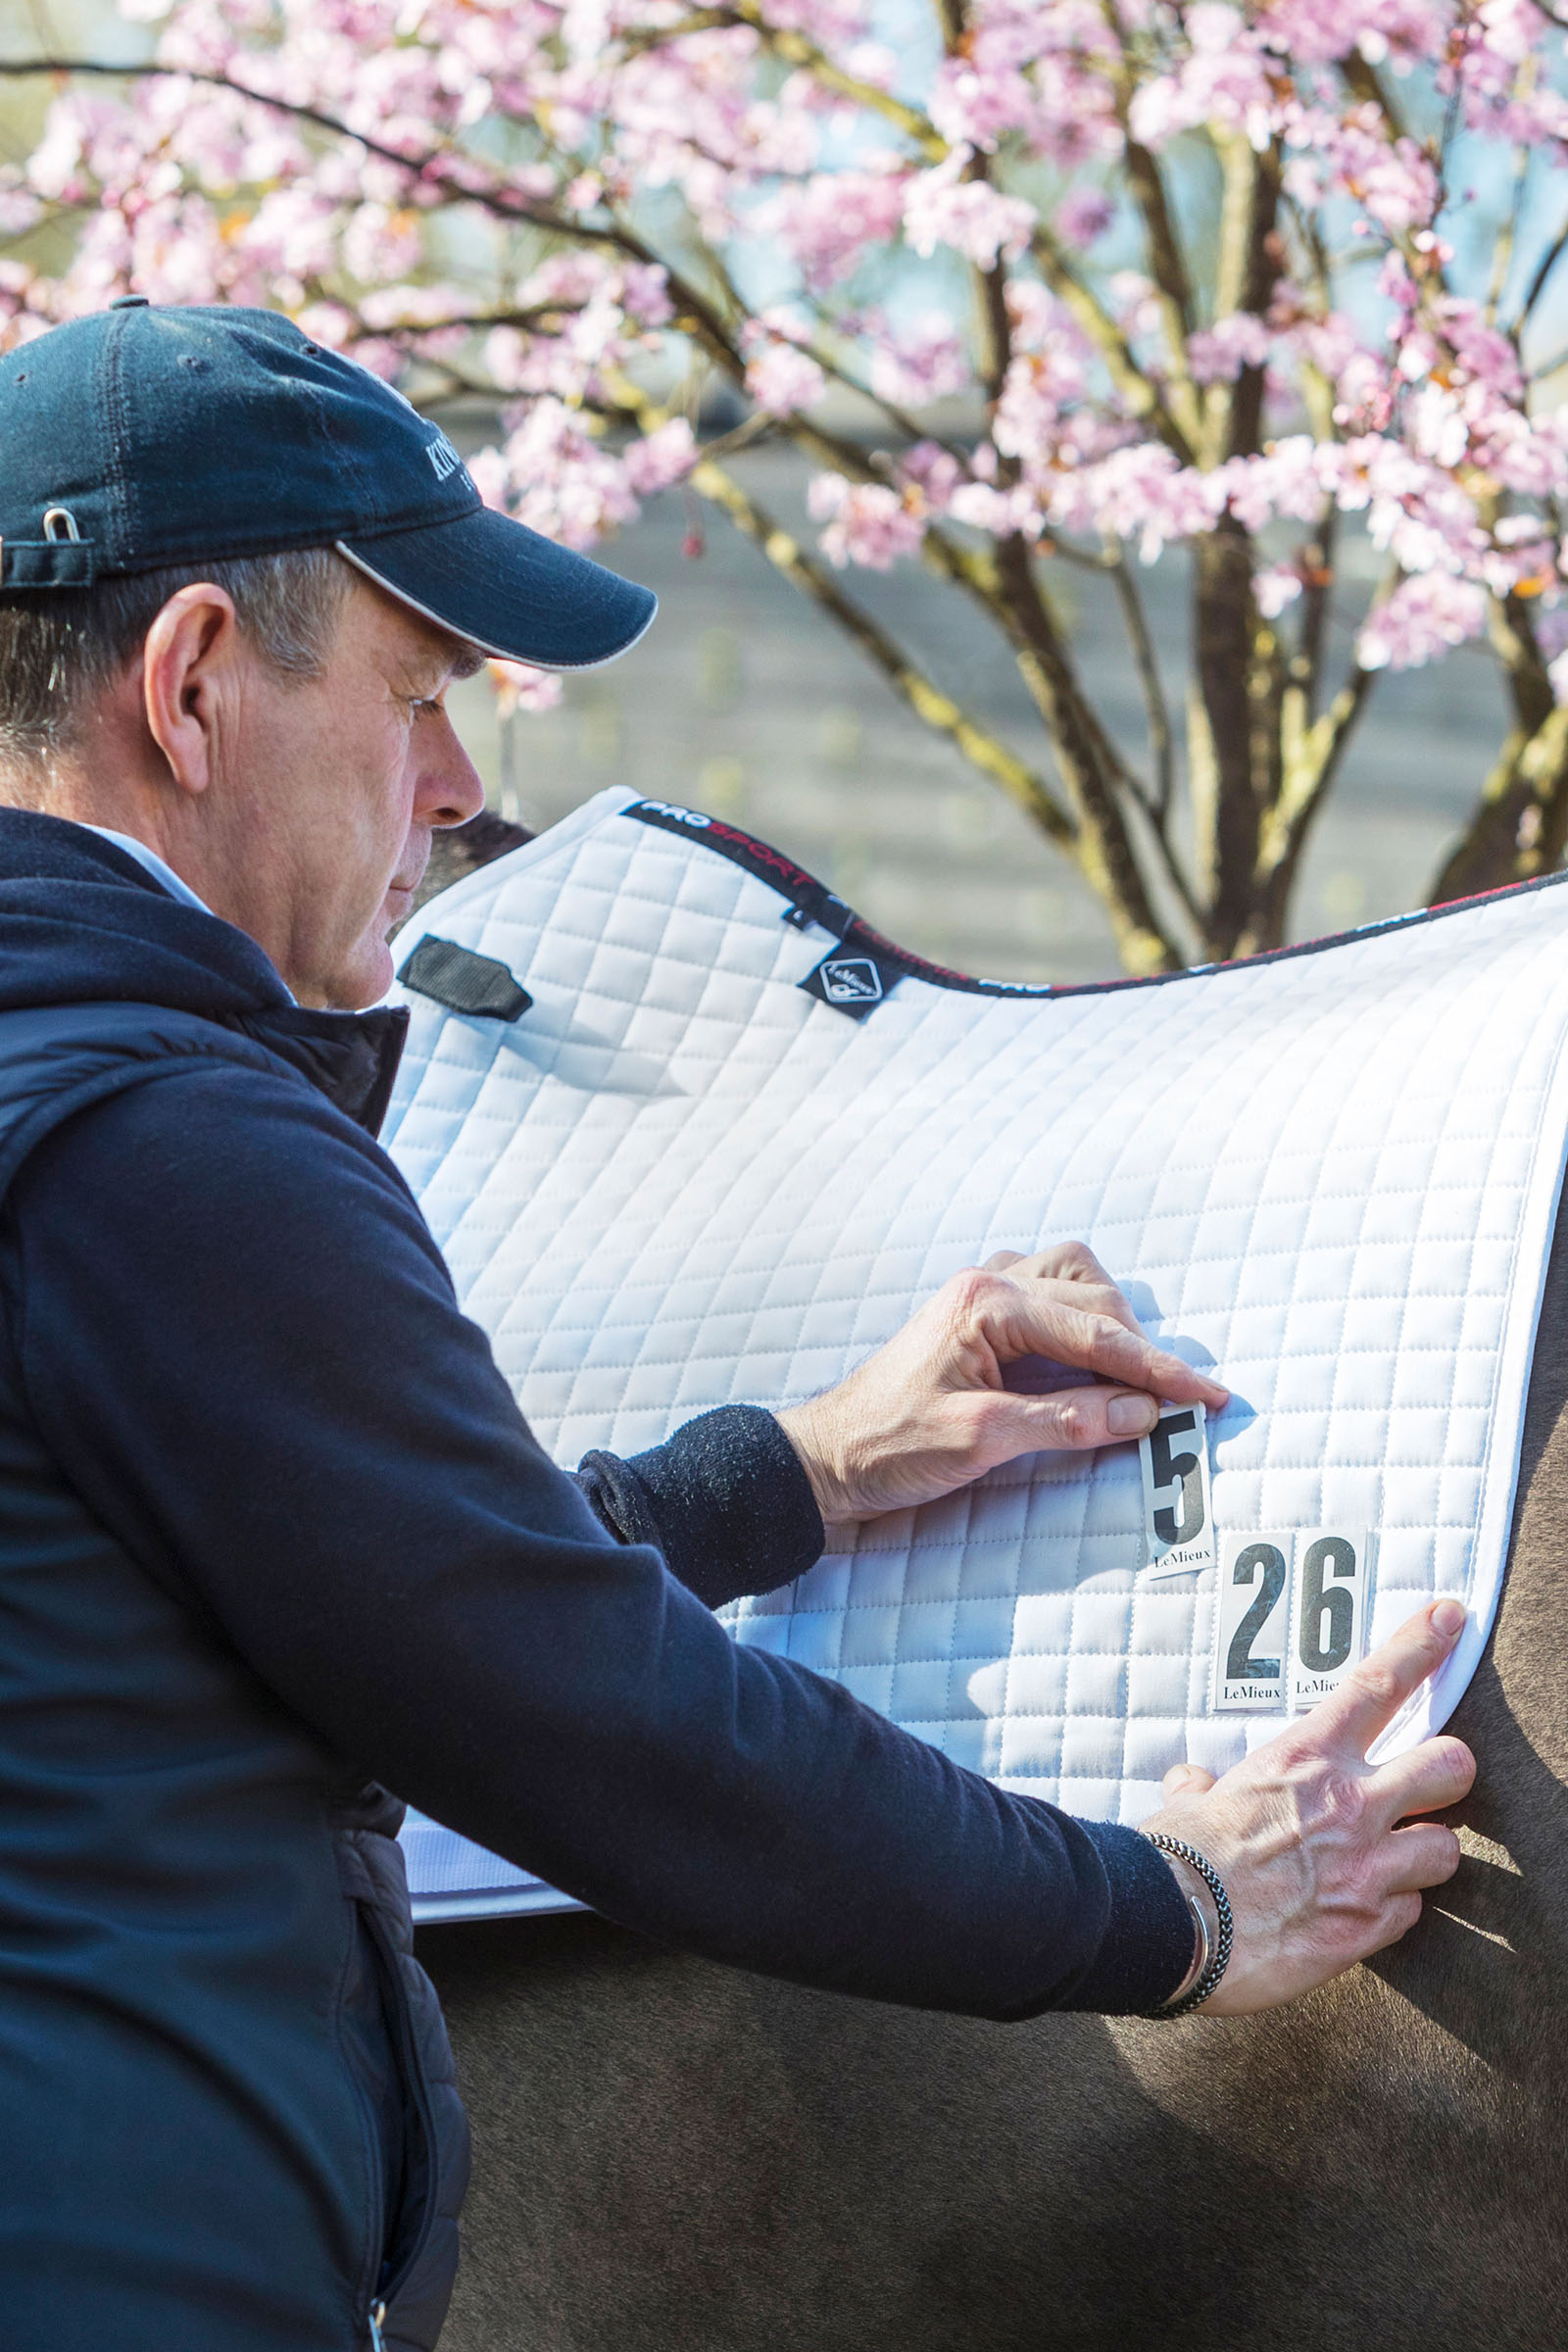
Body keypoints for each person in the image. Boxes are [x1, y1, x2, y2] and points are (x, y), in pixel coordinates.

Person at [0, 300, 1475, 2352]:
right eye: (419, 696)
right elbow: (559, 1699)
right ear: (191, 685)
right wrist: (1174, 1905)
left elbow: (311, 1567)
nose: (448, 788)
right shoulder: (151, 1137)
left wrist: (797, 1470)